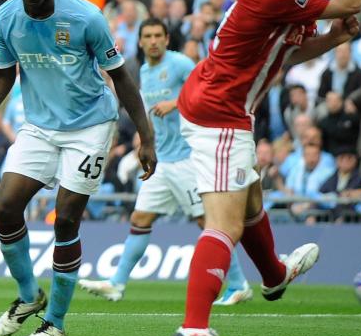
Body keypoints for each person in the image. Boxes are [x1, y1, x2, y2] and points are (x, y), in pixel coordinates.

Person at [172, 0, 361, 336]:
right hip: (219, 113)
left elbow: (284, 55)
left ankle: (274, 275)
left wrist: (333, 40)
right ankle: (194, 327)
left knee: (251, 198)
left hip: (222, 106)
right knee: (226, 223)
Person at [0, 0, 157, 336]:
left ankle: (56, 324)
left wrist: (145, 137)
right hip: (40, 126)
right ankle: (29, 296)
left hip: (91, 127)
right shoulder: (5, 19)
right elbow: (1, 78)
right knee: (5, 206)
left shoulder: (85, 17)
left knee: (65, 218)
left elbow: (122, 79)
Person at [79, 19, 253, 305]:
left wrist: (176, 103)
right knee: (140, 219)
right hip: (163, 159)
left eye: (158, 35)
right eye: (147, 36)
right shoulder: (145, 71)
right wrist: (146, 140)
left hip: (186, 158)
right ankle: (117, 283)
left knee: (208, 223)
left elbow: (209, 87)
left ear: (167, 38)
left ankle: (238, 284)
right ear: (141, 41)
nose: (153, 41)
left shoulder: (181, 63)